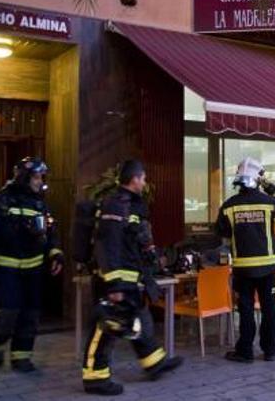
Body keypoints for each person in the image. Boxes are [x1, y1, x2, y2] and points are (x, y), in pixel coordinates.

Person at [81, 160, 182, 396]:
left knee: (139, 318)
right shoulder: (115, 204)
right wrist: (114, 283)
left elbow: (133, 240)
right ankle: (95, 378)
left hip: (130, 276)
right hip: (116, 279)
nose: (145, 183)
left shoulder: (132, 205)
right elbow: (108, 244)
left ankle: (154, 363)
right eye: (144, 178)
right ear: (135, 179)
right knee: (106, 327)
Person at [0, 157, 64, 372]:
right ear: (24, 178)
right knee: (8, 311)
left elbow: (50, 231)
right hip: (6, 268)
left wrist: (56, 254)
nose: (39, 181)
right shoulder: (3, 201)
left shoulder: (40, 204)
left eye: (41, 177)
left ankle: (21, 357)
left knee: (31, 314)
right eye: (36, 177)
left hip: (34, 269)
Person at [216, 157, 275, 363]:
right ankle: (270, 350)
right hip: (268, 268)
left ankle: (245, 351)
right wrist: (273, 191)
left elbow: (221, 231)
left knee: (246, 310)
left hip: (243, 269)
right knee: (269, 310)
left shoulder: (228, 206)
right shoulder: (269, 202)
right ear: (258, 179)